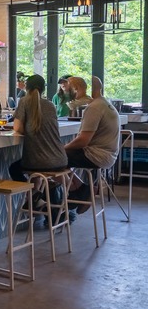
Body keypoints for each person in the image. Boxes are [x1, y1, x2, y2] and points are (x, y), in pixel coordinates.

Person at [9, 75, 68, 220]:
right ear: (43, 89)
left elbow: (17, 128)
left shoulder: (24, 101)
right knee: (35, 169)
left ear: (26, 88)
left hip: (40, 163)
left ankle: (35, 196)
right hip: (61, 159)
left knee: (14, 168)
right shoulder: (50, 105)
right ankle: (36, 198)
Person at [65, 76, 120, 212]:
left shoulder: (94, 107)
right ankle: (79, 191)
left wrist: (62, 148)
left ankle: (81, 190)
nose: (69, 93)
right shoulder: (105, 103)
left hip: (97, 155)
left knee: (53, 158)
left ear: (79, 89)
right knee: (57, 158)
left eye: (71, 88)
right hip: (109, 156)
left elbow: (83, 141)